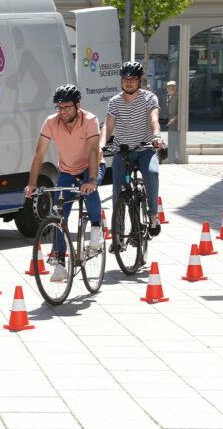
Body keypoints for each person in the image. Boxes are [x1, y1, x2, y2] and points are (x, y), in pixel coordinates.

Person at [24, 84, 104, 282]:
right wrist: (32, 183)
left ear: (78, 105)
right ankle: (60, 264)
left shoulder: (90, 120)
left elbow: (94, 151)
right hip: (67, 170)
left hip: (91, 166)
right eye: (59, 108)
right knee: (59, 216)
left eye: (67, 107)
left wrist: (92, 180)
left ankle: (95, 230)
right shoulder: (51, 122)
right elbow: (39, 152)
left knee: (89, 190)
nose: (63, 112)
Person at [98, 61, 166, 241]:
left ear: (140, 80)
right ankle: (118, 235)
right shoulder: (115, 101)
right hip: (123, 151)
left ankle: (152, 215)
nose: (128, 82)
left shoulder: (149, 98)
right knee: (118, 193)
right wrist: (100, 145)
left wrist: (157, 136)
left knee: (152, 173)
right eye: (125, 79)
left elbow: (153, 119)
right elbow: (108, 126)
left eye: (133, 79)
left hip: (145, 149)